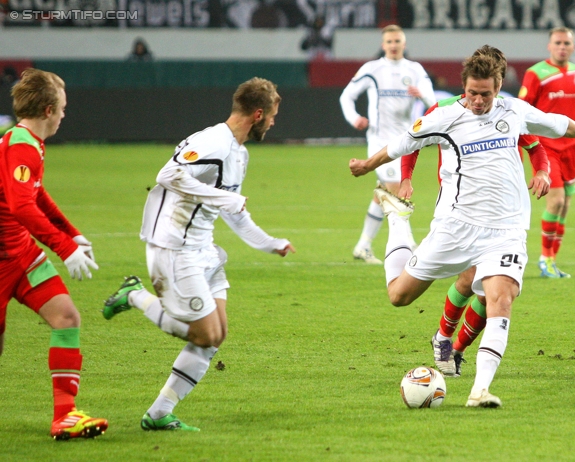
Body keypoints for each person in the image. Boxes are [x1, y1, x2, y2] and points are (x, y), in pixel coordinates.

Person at [349, 48, 575, 407]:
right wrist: (367, 165)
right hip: (454, 227)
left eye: (485, 94)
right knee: (399, 296)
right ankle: (397, 219)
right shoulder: (444, 116)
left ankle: (480, 390)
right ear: (464, 88)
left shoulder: (514, 111)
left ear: (499, 87)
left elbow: (556, 122)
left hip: (505, 230)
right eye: (472, 93)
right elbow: (401, 144)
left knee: (501, 299)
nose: (477, 100)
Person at [102, 77, 295, 431]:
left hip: (204, 248)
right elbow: (167, 174)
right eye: (272, 115)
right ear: (257, 113)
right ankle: (135, 296)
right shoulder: (213, 141)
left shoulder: (240, 152)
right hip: (175, 248)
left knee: (216, 336)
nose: (273, 122)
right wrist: (223, 198)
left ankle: (159, 413)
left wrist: (270, 243)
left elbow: (234, 210)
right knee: (204, 335)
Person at [398, 45, 550, 377]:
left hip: (501, 214)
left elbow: (535, 146)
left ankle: (455, 348)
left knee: (489, 287)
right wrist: (406, 179)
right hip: (457, 210)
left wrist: (542, 172)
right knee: (468, 280)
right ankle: (442, 336)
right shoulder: (446, 109)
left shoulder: (507, 112)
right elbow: (412, 143)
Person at [0, 68, 107, 439]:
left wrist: (72, 235)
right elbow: (21, 207)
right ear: (48, 110)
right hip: (2, 260)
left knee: (66, 317)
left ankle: (65, 416)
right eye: (62, 108)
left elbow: (38, 197)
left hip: (21, 255)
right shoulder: (21, 145)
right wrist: (63, 248)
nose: (64, 114)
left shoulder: (27, 140)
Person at [339, 24, 436, 265]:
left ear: (404, 44)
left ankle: (363, 246)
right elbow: (346, 96)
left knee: (382, 191)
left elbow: (433, 100)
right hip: (379, 139)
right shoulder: (373, 69)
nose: (393, 45)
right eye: (389, 42)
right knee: (395, 188)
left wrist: (421, 95)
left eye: (397, 41)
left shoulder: (414, 70)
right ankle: (411, 244)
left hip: (404, 140)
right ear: (383, 45)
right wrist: (355, 118)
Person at [519, 27, 575, 279]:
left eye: (567, 43)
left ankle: (552, 260)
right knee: (555, 201)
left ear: (573, 47)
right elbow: (521, 111)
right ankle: (545, 259)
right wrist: (524, 146)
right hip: (547, 148)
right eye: (558, 42)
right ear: (549, 46)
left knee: (565, 206)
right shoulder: (536, 74)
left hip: (571, 149)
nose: (562, 47)